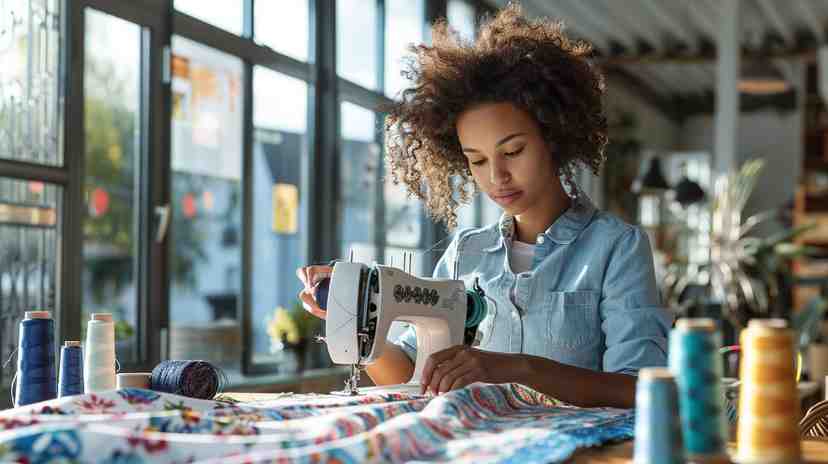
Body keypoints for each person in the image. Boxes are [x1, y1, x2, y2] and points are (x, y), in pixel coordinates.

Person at [296, 3, 672, 408]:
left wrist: (514, 368)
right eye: (476, 160)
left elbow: (638, 389)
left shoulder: (616, 248)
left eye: (513, 151)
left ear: (555, 137)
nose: (496, 176)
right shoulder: (466, 253)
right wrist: (350, 318)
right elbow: (412, 374)